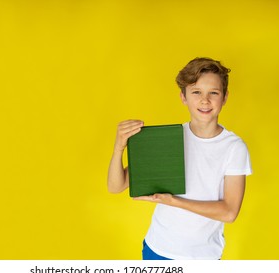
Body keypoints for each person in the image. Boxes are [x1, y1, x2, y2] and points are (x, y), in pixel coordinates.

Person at [107, 57, 252, 260]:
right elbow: (116, 186)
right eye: (196, 92)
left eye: (214, 93)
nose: (205, 100)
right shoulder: (166, 139)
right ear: (183, 97)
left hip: (204, 257)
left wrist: (173, 201)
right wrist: (119, 147)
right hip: (158, 249)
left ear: (225, 97)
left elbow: (229, 212)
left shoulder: (234, 148)